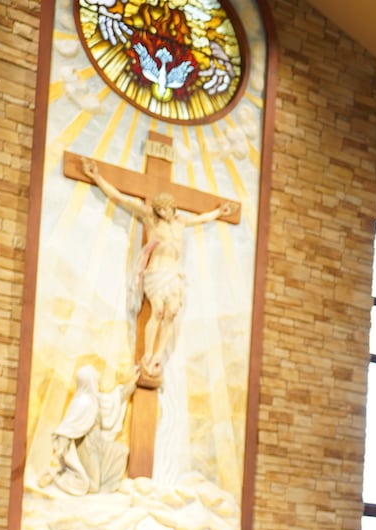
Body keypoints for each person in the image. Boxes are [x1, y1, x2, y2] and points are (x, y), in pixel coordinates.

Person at [80, 157, 235, 378]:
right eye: (159, 209)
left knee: (171, 313)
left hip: (174, 274)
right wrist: (96, 177)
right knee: (159, 311)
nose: (162, 212)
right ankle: (147, 355)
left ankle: (157, 358)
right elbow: (119, 197)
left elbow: (202, 219)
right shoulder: (150, 220)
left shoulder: (181, 223)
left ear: (172, 208)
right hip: (156, 273)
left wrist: (219, 213)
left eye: (165, 208)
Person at [40, 364, 135, 495]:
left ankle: (109, 486)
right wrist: (61, 448)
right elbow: (68, 427)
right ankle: (55, 476)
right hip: (86, 445)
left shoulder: (96, 399)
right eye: (95, 380)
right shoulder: (81, 402)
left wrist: (134, 382)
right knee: (92, 486)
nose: (97, 383)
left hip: (99, 443)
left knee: (121, 452)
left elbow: (116, 398)